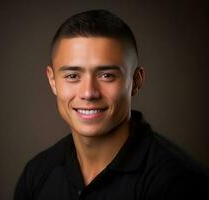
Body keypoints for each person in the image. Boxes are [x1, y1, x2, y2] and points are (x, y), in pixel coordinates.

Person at [14, 9, 209, 200]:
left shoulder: (178, 182)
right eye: (72, 76)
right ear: (52, 81)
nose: (89, 93)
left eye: (106, 75)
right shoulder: (37, 174)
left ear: (136, 81)